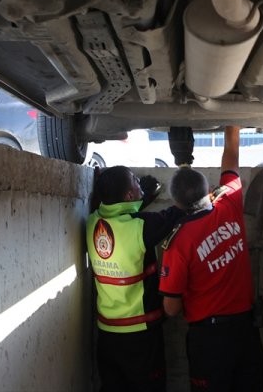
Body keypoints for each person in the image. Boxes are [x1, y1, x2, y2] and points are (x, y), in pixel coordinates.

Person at [159, 126, 263, 391]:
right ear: (208, 191)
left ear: (176, 203)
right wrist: (232, 126)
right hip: (245, 331)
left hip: (209, 339)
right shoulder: (228, 203)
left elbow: (171, 309)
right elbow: (231, 160)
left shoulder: (179, 242)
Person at [86, 166, 184, 392]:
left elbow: (119, 212)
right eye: (135, 181)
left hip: (107, 336)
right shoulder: (141, 227)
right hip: (140, 335)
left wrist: (141, 195)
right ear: (129, 196)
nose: (140, 182)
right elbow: (175, 214)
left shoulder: (93, 221)